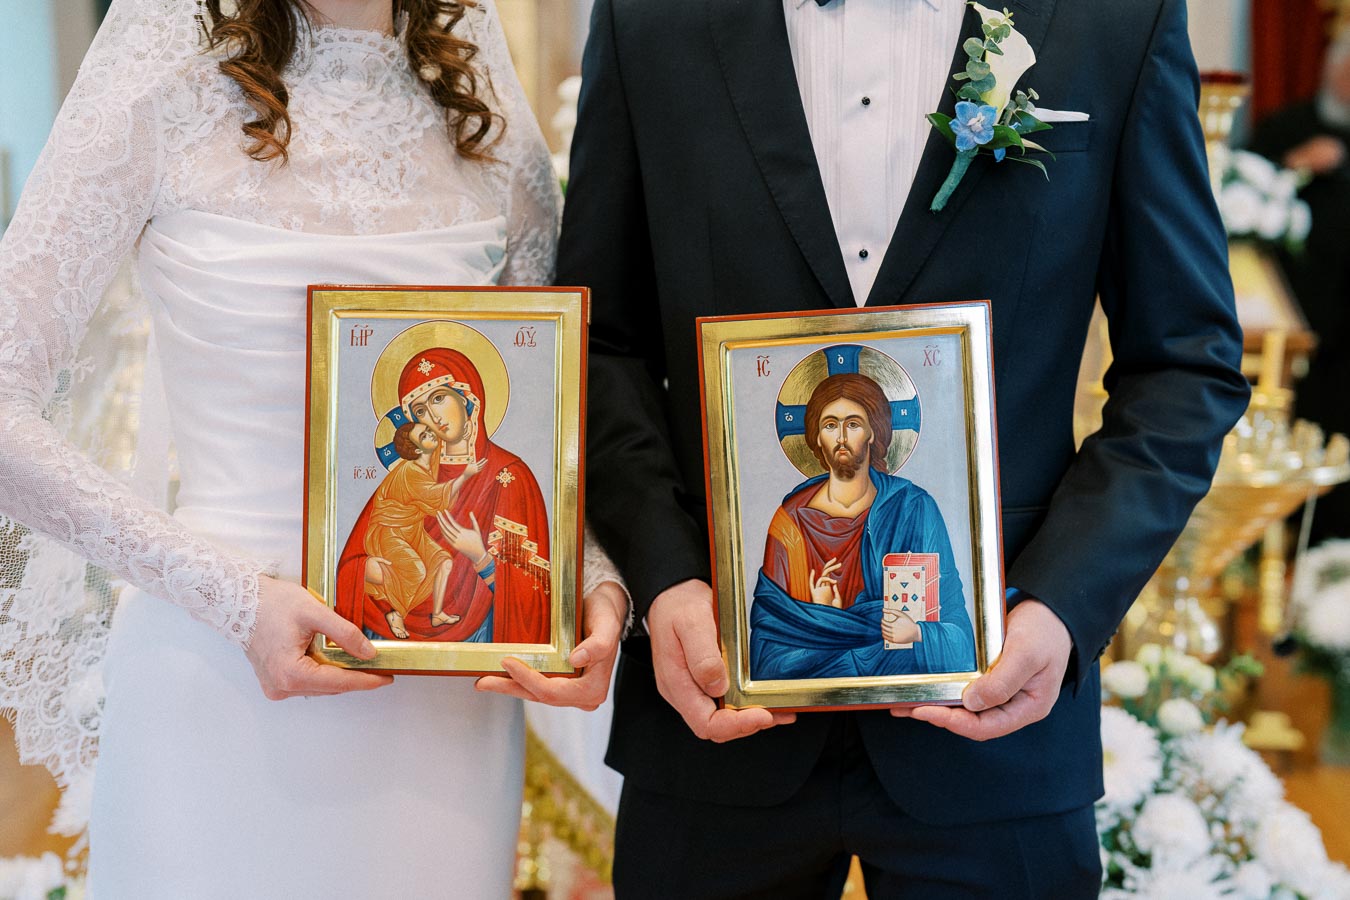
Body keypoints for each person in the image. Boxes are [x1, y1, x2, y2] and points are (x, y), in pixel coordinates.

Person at [560, 0, 1250, 896]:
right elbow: (599, 343)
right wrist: (667, 575)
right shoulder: (651, 20)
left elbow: (1186, 364)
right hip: (716, 707)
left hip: (997, 721)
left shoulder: (1113, 19)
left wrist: (1062, 604)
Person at [0, 0, 626, 896]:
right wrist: (231, 597)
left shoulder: (470, 77)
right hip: (217, 678)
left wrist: (591, 576)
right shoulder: (162, 62)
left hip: (442, 701)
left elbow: (545, 412)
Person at [752, 371, 975, 679]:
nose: (841, 437)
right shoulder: (790, 524)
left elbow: (960, 645)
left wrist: (918, 634)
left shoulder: (914, 509)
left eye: (853, 424)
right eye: (830, 425)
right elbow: (767, 660)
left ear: (874, 432)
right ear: (816, 436)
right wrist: (825, 617)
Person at [338, 347, 553, 644]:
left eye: (439, 398)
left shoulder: (510, 476)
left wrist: (481, 557)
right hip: (389, 644)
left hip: (480, 639)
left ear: (467, 398)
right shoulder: (407, 476)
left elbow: (534, 594)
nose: (434, 417)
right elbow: (350, 566)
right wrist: (369, 570)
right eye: (421, 411)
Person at [1249, 30, 1350, 542]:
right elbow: (1244, 191)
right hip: (1290, 324)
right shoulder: (1287, 128)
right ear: (1330, 73)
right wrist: (1293, 167)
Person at [361, 421, 478, 638]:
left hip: (412, 531)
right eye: (424, 435)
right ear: (416, 449)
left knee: (444, 562)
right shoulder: (409, 471)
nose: (431, 435)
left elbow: (438, 504)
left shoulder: (429, 464)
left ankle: (437, 614)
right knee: (416, 570)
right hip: (391, 532)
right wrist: (465, 476)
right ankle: (397, 613)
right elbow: (434, 495)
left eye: (428, 431)